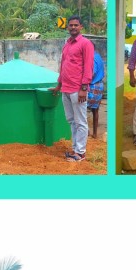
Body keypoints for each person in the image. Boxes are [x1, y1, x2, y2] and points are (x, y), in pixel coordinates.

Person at [51, 15, 95, 162]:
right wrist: (59, 85)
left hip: (78, 89)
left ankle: (81, 153)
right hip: (66, 89)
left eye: (76, 25)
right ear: (67, 27)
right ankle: (76, 149)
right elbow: (63, 66)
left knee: (81, 121)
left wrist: (84, 88)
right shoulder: (67, 44)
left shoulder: (86, 44)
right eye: (71, 25)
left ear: (81, 27)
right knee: (71, 120)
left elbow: (88, 67)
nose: (73, 27)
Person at [87, 50, 105, 139]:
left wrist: (84, 83)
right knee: (95, 111)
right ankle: (95, 133)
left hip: (92, 86)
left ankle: (86, 132)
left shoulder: (91, 58)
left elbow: (92, 73)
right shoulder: (98, 56)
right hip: (99, 85)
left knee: (82, 109)